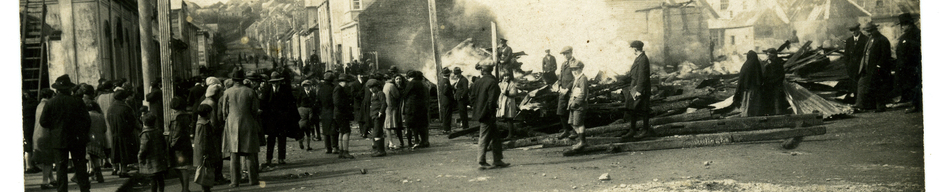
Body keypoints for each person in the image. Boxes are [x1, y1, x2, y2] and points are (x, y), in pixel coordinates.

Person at [39, 74, 92, 192]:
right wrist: (81, 132)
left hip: (58, 139)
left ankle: (62, 190)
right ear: (69, 88)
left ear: (57, 89)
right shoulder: (78, 102)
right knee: (80, 166)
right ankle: (84, 189)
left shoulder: (51, 103)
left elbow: (43, 122)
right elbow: (87, 120)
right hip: (77, 139)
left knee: (61, 168)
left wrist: (55, 128)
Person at [219, 71, 262, 187]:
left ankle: (234, 181)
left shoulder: (227, 92)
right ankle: (252, 179)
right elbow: (254, 110)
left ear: (233, 80)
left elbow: (224, 112)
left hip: (232, 123)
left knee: (234, 154)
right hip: (248, 123)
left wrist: (230, 118)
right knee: (250, 153)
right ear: (243, 79)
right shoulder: (250, 91)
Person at [470, 62, 509, 170]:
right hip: (488, 114)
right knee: (484, 137)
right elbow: (492, 101)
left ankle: (497, 160)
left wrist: (478, 109)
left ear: (482, 71)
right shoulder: (492, 82)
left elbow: (472, 98)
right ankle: (481, 161)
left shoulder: (477, 82)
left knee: (496, 136)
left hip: (481, 113)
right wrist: (490, 113)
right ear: (491, 70)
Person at [263, 72, 301, 165]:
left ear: (280, 82)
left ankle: (281, 158)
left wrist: (290, 117)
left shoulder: (286, 90)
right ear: (271, 82)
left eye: (277, 82)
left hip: (282, 120)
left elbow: (291, 104)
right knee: (271, 140)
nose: (275, 84)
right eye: (273, 82)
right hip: (271, 120)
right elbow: (264, 105)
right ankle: (269, 159)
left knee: (282, 139)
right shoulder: (267, 90)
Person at [855, 22, 893, 112]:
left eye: (871, 31)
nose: (869, 33)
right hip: (867, 68)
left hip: (877, 69)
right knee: (862, 84)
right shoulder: (870, 39)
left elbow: (885, 55)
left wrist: (878, 66)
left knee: (878, 87)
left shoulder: (882, 39)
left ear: (876, 29)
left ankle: (880, 106)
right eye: (867, 31)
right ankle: (860, 105)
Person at [194, 85, 223, 191]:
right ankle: (206, 188)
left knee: (207, 169)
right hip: (206, 151)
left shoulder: (204, 104)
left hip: (205, 150)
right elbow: (203, 140)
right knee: (206, 169)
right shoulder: (204, 124)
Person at [621, 41, 653, 139]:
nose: (631, 51)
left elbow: (642, 76)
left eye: (632, 49)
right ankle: (632, 130)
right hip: (635, 87)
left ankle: (645, 130)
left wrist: (639, 90)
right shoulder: (638, 58)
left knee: (643, 109)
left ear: (635, 49)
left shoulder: (643, 59)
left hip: (640, 88)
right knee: (632, 109)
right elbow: (636, 73)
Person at [107, 89, 140, 178]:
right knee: (124, 152)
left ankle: (116, 169)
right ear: (123, 98)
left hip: (114, 133)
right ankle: (123, 170)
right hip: (125, 133)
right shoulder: (126, 108)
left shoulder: (110, 108)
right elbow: (132, 121)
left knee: (117, 152)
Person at [893, 13, 921, 113]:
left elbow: (915, 51)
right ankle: (910, 101)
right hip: (904, 65)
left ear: (910, 24)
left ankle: (915, 105)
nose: (902, 27)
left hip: (911, 65)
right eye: (902, 25)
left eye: (904, 24)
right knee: (907, 84)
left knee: (913, 85)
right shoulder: (905, 35)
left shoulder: (916, 34)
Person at [168, 98, 194, 192]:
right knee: (183, 167)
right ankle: (185, 188)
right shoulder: (185, 115)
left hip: (178, 146)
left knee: (181, 168)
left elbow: (176, 132)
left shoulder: (177, 117)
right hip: (185, 143)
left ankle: (185, 188)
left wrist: (171, 144)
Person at [32, 88, 56, 189]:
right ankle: (44, 181)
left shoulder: (39, 105)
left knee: (46, 159)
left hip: (37, 134)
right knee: (48, 159)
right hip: (46, 134)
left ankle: (52, 179)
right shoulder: (48, 105)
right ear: (49, 96)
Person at [138, 114, 168, 192]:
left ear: (144, 123)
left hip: (150, 160)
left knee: (153, 179)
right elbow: (164, 144)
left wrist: (140, 157)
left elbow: (143, 148)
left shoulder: (145, 134)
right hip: (159, 159)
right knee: (160, 178)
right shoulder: (158, 131)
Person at [402, 71, 431, 149]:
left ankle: (414, 142)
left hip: (411, 108)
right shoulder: (422, 84)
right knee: (421, 125)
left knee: (411, 125)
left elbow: (405, 94)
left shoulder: (411, 83)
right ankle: (423, 141)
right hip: (421, 107)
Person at [556, 46, 578, 140]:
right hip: (562, 91)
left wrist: (567, 89)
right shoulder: (563, 64)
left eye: (566, 53)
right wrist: (560, 86)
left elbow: (575, 78)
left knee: (572, 111)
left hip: (571, 91)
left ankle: (575, 131)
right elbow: (560, 76)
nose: (565, 55)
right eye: (563, 54)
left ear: (571, 53)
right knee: (561, 111)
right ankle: (566, 130)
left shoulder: (575, 63)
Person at [567, 61, 590, 149]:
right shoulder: (577, 78)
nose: (574, 71)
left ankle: (582, 142)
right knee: (572, 123)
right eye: (572, 69)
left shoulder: (583, 78)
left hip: (579, 105)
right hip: (573, 105)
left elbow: (583, 93)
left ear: (581, 68)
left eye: (576, 69)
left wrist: (575, 102)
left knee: (579, 123)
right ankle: (582, 140)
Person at [734, 51, 764, 116]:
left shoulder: (746, 64)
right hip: (754, 88)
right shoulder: (756, 64)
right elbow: (759, 77)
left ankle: (746, 114)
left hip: (746, 88)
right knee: (753, 103)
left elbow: (742, 78)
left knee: (746, 102)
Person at [844, 23, 867, 102]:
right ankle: (855, 101)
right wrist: (848, 66)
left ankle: (861, 101)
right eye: (851, 31)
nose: (853, 32)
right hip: (852, 68)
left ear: (858, 29)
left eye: (854, 30)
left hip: (861, 67)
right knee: (853, 85)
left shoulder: (865, 39)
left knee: (861, 85)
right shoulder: (849, 41)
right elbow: (846, 55)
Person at [85, 100, 107, 183]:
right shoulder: (100, 115)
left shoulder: (87, 115)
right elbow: (104, 129)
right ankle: (98, 175)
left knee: (89, 157)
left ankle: (93, 174)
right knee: (95, 158)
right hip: (99, 139)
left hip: (90, 138)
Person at [334, 75, 355, 159]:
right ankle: (345, 151)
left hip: (339, 114)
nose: (347, 84)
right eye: (346, 82)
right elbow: (337, 102)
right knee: (346, 132)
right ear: (342, 82)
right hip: (341, 114)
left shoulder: (338, 89)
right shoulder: (339, 89)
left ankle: (341, 151)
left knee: (341, 132)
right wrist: (346, 108)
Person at [762, 48, 788, 116]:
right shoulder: (766, 63)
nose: (769, 57)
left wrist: (772, 81)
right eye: (768, 55)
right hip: (768, 86)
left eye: (770, 55)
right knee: (770, 102)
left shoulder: (778, 64)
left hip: (776, 86)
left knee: (777, 102)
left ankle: (778, 116)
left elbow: (781, 76)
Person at [296, 79, 320, 151]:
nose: (307, 87)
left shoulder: (312, 93)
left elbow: (315, 100)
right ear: (303, 87)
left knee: (311, 125)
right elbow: (298, 102)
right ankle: (304, 143)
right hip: (304, 111)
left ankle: (309, 142)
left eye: (308, 86)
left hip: (312, 110)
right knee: (305, 129)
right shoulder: (301, 93)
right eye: (305, 86)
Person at [367, 78, 388, 157]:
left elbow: (384, 104)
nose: (370, 90)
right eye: (369, 88)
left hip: (378, 116)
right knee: (378, 131)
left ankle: (380, 150)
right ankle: (378, 149)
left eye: (371, 88)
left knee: (377, 132)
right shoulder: (373, 94)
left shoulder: (380, 93)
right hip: (374, 115)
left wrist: (380, 112)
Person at [319, 73, 339, 154]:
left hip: (324, 111)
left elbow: (318, 100)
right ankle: (335, 147)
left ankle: (327, 148)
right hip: (332, 110)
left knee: (325, 129)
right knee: (333, 129)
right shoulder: (333, 88)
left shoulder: (321, 89)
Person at [384, 74, 406, 149]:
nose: (398, 80)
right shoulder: (392, 86)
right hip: (394, 108)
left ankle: (394, 142)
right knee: (394, 125)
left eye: (399, 79)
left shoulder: (387, 85)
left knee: (396, 126)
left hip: (397, 108)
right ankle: (392, 142)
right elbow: (397, 96)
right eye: (397, 79)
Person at [496, 74, 519, 140]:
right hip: (503, 102)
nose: (506, 77)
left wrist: (506, 92)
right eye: (504, 76)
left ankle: (510, 134)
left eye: (507, 76)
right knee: (505, 117)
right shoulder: (501, 83)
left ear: (510, 77)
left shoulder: (512, 84)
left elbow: (514, 93)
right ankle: (508, 133)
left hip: (509, 101)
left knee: (509, 118)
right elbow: (499, 92)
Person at [438, 68, 456, 134]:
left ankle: (446, 129)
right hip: (447, 100)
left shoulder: (442, 80)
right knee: (447, 115)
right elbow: (445, 91)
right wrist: (451, 96)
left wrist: (451, 87)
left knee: (446, 115)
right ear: (448, 74)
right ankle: (446, 129)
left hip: (444, 100)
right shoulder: (446, 81)